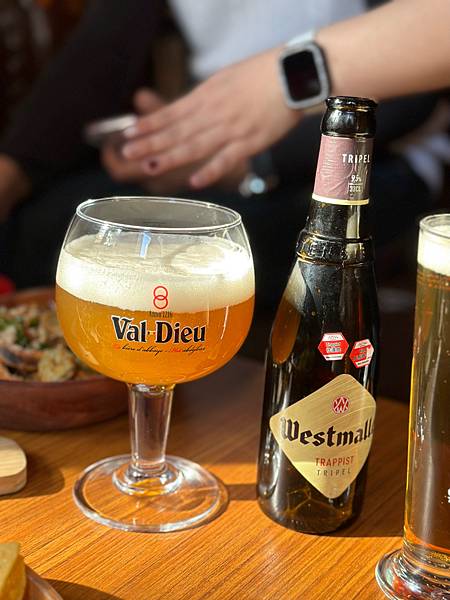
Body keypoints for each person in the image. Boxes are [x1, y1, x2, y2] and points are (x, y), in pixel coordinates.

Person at [0, 0, 448, 313]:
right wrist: (14, 168)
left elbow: (417, 81)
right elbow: (102, 48)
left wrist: (255, 159)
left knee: (215, 257)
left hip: (371, 154)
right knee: (52, 228)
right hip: (225, 133)